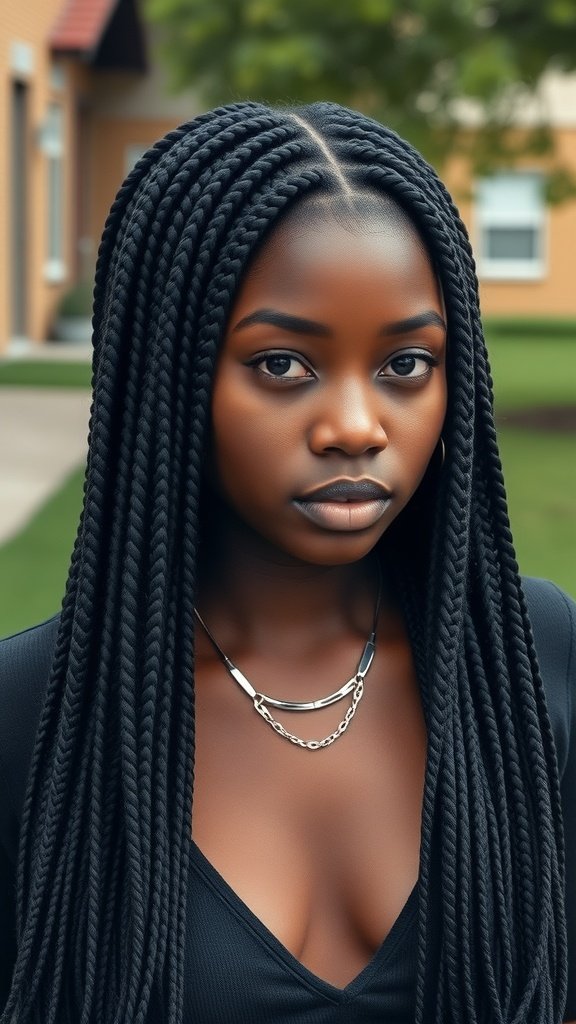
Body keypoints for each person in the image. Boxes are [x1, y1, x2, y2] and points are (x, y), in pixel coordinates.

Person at [0, 101, 574, 1024]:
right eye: (281, 365)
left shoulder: (534, 664)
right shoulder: (35, 718)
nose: (356, 425)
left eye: (406, 366)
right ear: (168, 372)